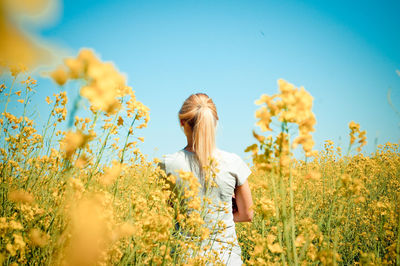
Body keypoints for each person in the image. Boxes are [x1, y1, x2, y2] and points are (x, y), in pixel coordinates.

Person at [161, 93, 253, 265]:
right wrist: (221, 213)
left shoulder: (167, 164)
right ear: (215, 123)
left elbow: (172, 211)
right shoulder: (233, 162)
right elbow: (247, 214)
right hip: (227, 259)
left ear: (182, 122)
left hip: (184, 258)